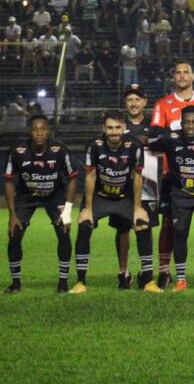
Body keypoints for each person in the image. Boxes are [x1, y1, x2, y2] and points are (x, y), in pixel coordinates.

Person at [70, 111, 161, 294]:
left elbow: (137, 177)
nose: (114, 132)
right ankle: (80, 282)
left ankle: (148, 281)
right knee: (84, 225)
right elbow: (90, 176)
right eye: (110, 128)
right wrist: (87, 208)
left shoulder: (134, 146)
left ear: (124, 128)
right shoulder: (94, 145)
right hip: (101, 196)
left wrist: (137, 208)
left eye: (118, 127)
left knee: (143, 224)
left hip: (125, 197)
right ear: (104, 128)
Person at [150, 60, 194, 289]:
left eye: (185, 72)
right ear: (173, 77)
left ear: (193, 76)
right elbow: (154, 138)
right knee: (171, 227)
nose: (181, 76)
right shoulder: (163, 104)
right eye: (177, 72)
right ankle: (166, 272)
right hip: (172, 177)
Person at [5, 114, 77, 294]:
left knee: (63, 232)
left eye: (43, 129)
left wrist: (67, 211)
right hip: (26, 196)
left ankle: (63, 282)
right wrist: (12, 215)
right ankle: (15, 283)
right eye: (35, 129)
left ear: (49, 131)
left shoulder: (60, 150)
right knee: (14, 234)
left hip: (54, 195)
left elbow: (73, 179)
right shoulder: (17, 151)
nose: (39, 133)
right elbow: (8, 181)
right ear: (29, 131)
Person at [118, 84, 161, 290]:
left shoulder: (154, 124)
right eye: (129, 100)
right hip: (122, 184)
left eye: (137, 99)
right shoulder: (118, 125)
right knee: (122, 229)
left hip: (148, 183)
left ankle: (146, 275)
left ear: (145, 102)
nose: (133, 103)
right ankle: (123, 273)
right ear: (125, 103)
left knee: (145, 227)